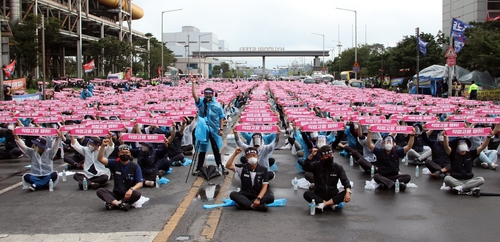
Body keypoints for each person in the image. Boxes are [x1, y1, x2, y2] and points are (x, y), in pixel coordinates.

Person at [442, 130, 494, 196]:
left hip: (468, 180)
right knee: (447, 178)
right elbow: (446, 147)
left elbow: (482, 146)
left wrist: (488, 137)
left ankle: (461, 188)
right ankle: (468, 187)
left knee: (481, 179)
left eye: (464, 144)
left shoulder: (471, 154)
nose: (463, 145)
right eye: (460, 144)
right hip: (456, 180)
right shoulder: (453, 154)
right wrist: (445, 137)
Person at [96, 140, 143, 211]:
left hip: (128, 194)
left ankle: (114, 203)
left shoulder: (135, 166)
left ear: (130, 154)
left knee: (137, 194)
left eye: (126, 152)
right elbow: (100, 159)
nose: (125, 154)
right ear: (118, 154)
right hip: (116, 193)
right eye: (122, 152)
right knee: (100, 191)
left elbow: (140, 183)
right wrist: (102, 146)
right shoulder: (114, 163)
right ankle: (119, 204)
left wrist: (131, 189)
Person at [191, 80, 226, 175]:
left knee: (216, 149)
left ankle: (220, 166)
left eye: (210, 94)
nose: (208, 95)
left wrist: (221, 129)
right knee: (202, 149)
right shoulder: (201, 103)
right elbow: (194, 96)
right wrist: (193, 83)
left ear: (213, 95)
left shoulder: (217, 105)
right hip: (203, 130)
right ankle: (199, 168)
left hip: (214, 130)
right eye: (206, 93)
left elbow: (221, 117)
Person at [302, 145, 351, 212]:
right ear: (321, 157)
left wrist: (348, 192)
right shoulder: (317, 165)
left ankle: (324, 204)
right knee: (306, 194)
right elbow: (305, 167)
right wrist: (311, 155)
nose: (329, 158)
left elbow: (345, 181)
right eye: (326, 156)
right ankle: (330, 204)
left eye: (331, 155)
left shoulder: (338, 167)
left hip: (333, 195)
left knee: (347, 192)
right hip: (319, 195)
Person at [225, 147, 274, 212]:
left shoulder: (263, 169)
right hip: (244, 195)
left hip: (257, 195)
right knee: (233, 194)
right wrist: (235, 153)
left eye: (254, 155)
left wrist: (258, 198)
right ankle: (254, 206)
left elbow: (265, 186)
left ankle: (244, 204)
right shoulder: (242, 167)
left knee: (271, 197)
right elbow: (228, 166)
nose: (252, 157)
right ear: (246, 158)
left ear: (258, 157)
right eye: (249, 156)